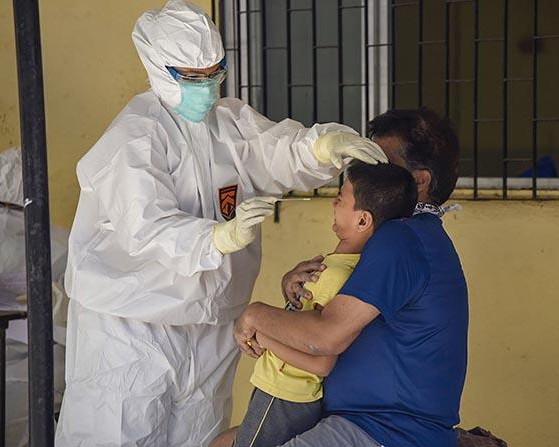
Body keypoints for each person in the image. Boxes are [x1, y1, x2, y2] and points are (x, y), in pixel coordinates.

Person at [54, 0, 387, 445]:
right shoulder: (133, 138)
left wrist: (319, 147)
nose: (206, 87)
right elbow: (145, 226)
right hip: (134, 327)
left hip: (210, 325)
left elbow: (272, 150)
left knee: (200, 435)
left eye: (214, 72)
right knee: (116, 433)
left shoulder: (226, 122)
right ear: (156, 67)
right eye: (191, 77)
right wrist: (215, 238)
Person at [234, 108, 468, 447]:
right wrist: (295, 288)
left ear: (419, 181)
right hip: (360, 420)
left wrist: (254, 314)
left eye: (379, 164)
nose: (364, 171)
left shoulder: (402, 239)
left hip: (385, 431)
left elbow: (324, 339)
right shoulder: (408, 237)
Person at [212, 162, 417, 447]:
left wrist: (264, 336)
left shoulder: (337, 275)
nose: (334, 201)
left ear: (362, 221)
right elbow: (302, 318)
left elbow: (321, 363)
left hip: (285, 394)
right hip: (281, 390)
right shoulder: (334, 266)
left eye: (342, 199)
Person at [0, 147, 69, 447]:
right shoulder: (61, 243)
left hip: (36, 372)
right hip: (34, 370)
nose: (0, 219)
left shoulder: (59, 244)